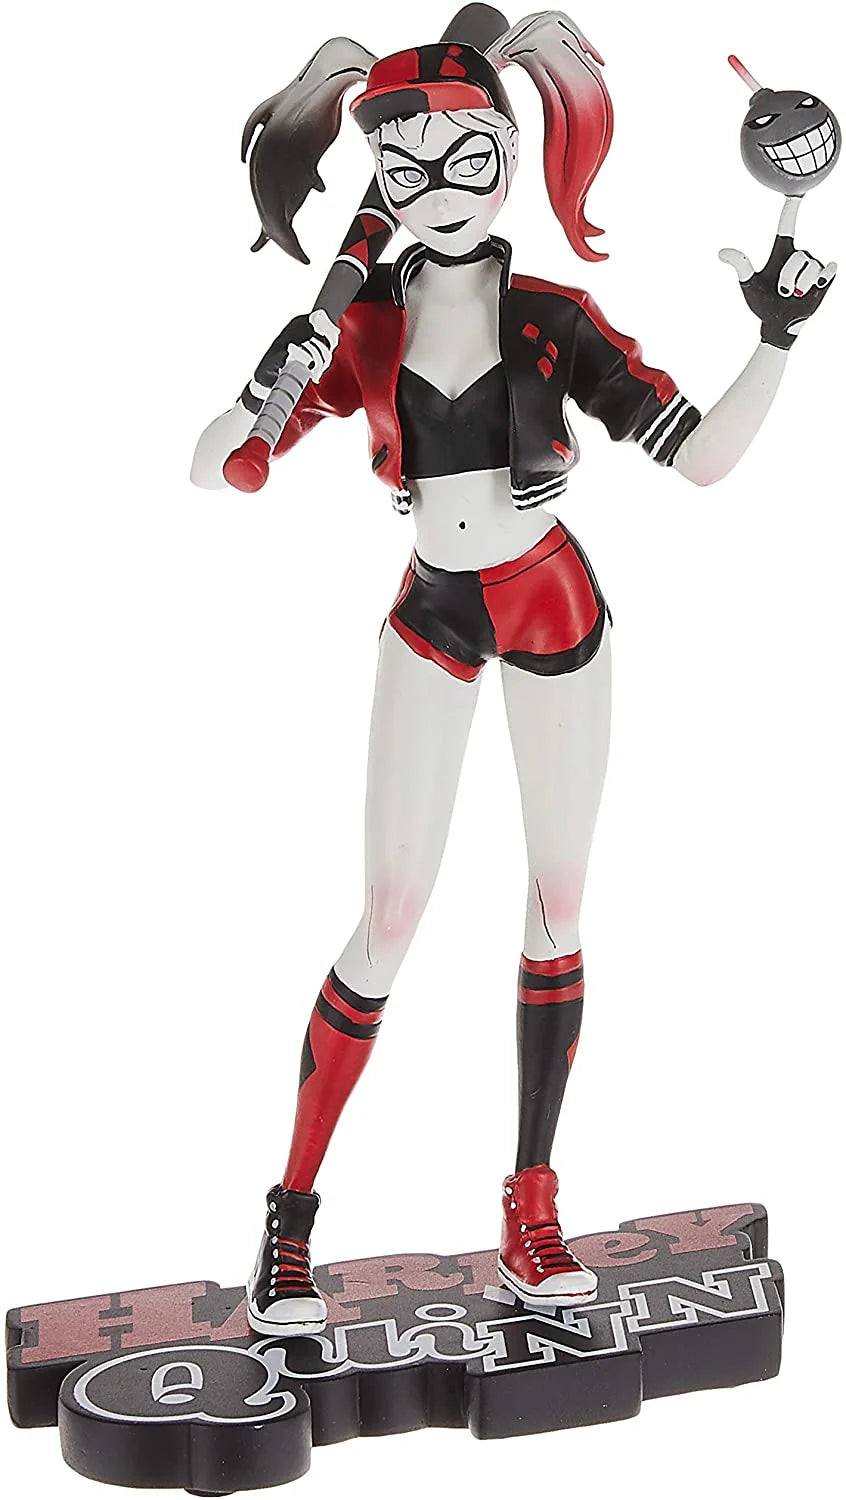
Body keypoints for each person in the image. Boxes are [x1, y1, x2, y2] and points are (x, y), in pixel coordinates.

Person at [192, 8, 836, 1338]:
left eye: (467, 157)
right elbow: (214, 468)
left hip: (551, 604)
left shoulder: (554, 317)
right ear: (378, 175)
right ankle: (289, 1222)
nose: (439, 186)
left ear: (508, 153)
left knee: (556, 902)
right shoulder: (358, 326)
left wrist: (777, 338)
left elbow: (703, 460)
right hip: (433, 610)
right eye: (406, 164)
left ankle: (531, 1204)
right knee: (388, 913)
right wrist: (265, 389)